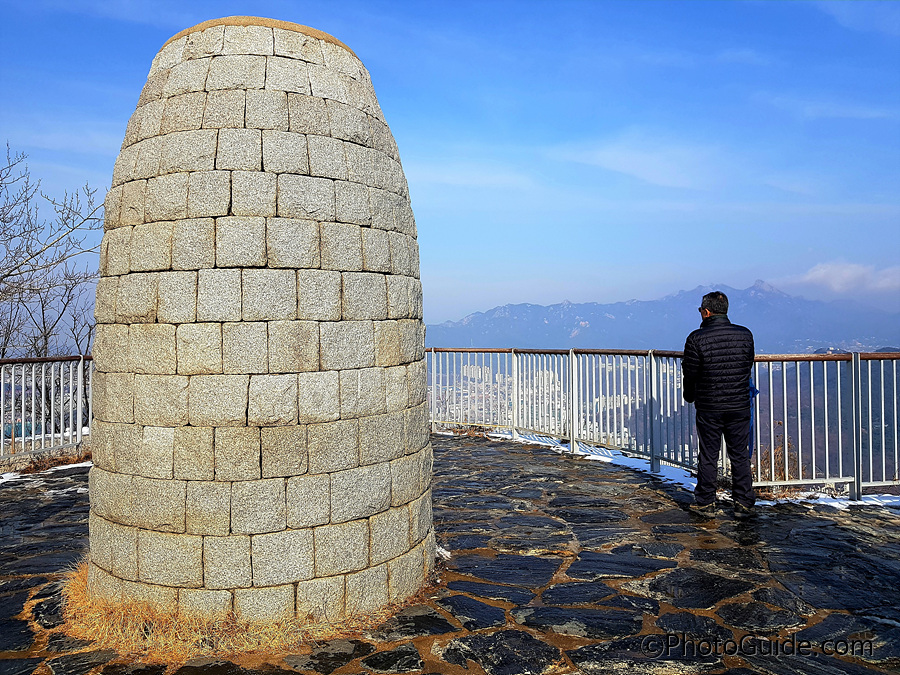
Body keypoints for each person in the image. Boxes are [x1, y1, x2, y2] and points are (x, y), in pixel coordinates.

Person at [682, 291, 756, 519]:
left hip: (709, 406)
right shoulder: (745, 335)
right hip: (739, 404)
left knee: (708, 455)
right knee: (739, 455)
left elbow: (691, 373)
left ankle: (706, 502)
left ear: (706, 312)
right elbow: (748, 364)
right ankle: (744, 503)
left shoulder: (696, 339)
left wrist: (689, 395)